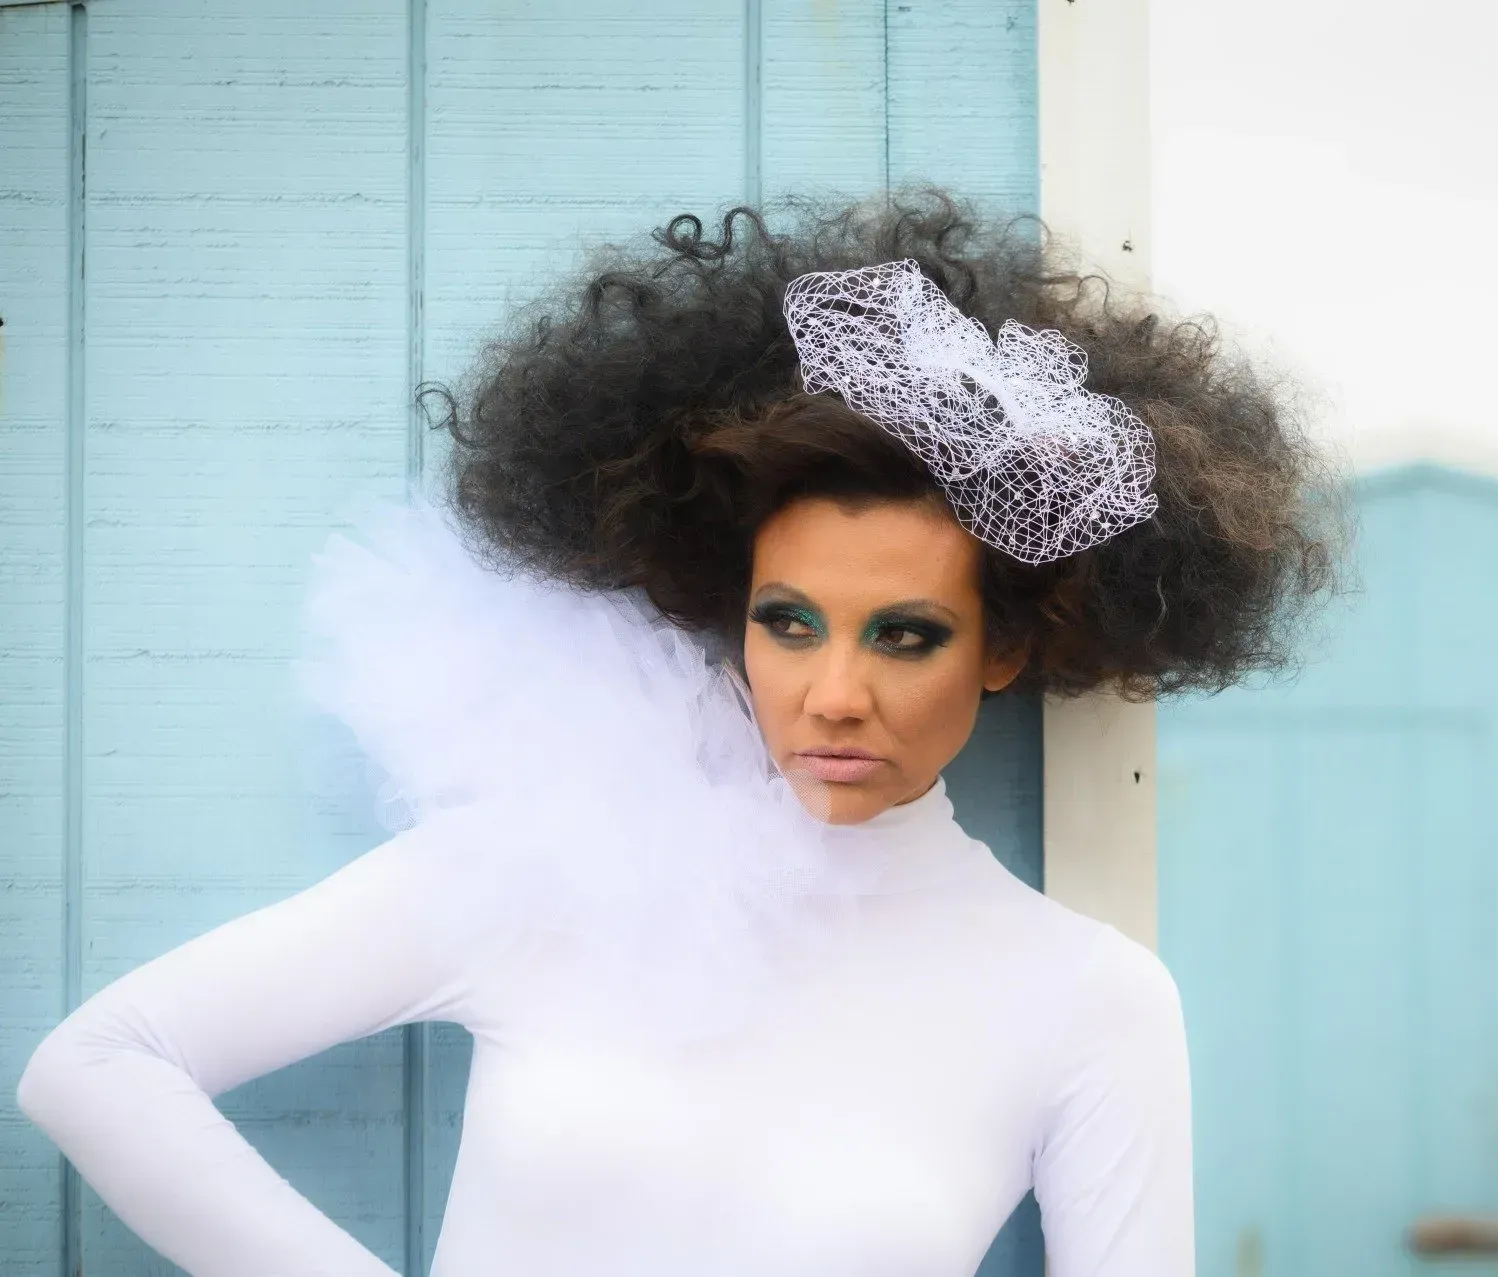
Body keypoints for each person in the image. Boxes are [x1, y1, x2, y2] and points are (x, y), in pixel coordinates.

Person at [15, 190, 1335, 1275]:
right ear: (730, 614)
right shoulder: (549, 868)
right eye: (789, 622)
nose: (832, 694)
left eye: (906, 635)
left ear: (1008, 648)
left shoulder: (1087, 1001)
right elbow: (98, 1066)